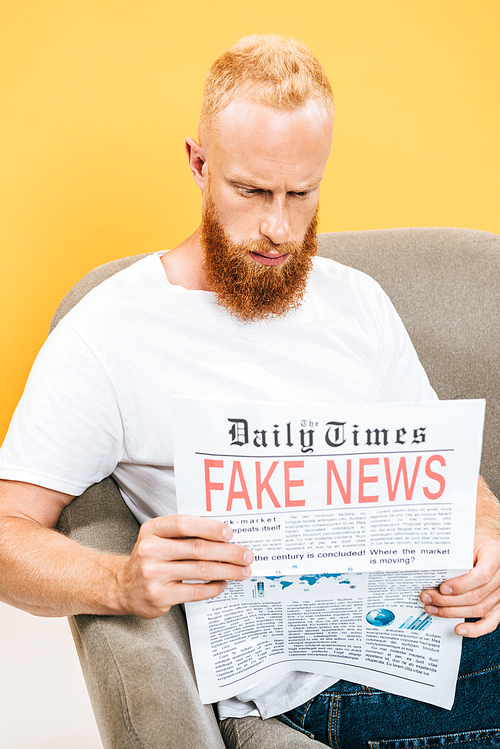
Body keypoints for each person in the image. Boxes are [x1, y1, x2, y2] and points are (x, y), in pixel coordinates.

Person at [0, 34, 499, 747]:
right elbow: (6, 528)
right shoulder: (109, 332)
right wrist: (119, 582)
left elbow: (451, 473)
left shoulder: (358, 302)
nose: (279, 227)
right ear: (199, 165)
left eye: (303, 193)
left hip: (427, 635)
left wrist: (486, 532)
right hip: (313, 688)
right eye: (252, 191)